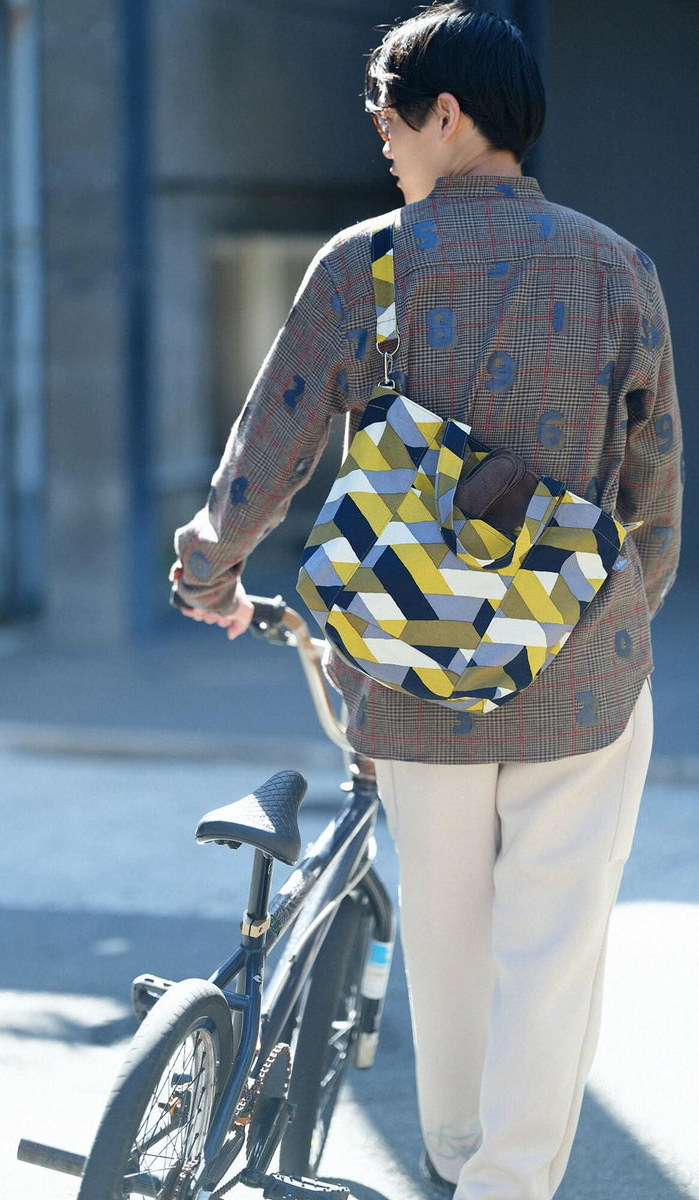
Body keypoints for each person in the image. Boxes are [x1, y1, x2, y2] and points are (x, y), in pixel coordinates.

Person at [170, 4, 683, 1197]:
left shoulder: (366, 264)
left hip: (407, 678)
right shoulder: (619, 270)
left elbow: (270, 446)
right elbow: (653, 490)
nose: (379, 139)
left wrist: (210, 568)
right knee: (549, 965)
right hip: (582, 688)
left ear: (445, 116)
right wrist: (605, 623)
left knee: (445, 955)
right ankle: (505, 1185)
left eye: (385, 114)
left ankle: (453, 1163)